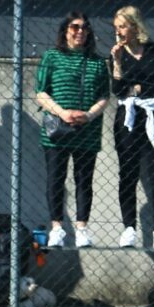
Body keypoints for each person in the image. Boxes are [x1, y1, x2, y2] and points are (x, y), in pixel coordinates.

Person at [35, 12, 109, 248]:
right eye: (75, 27)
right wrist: (61, 112)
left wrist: (88, 115)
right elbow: (41, 92)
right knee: (56, 179)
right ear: (65, 31)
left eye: (85, 28)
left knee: (84, 180)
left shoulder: (97, 61)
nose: (80, 32)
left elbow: (104, 96)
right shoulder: (51, 57)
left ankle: (82, 228)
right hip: (56, 129)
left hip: (87, 131)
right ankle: (57, 227)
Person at [110, 5, 154, 249]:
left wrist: (137, 87)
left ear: (136, 27)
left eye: (123, 26)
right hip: (128, 120)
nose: (119, 32)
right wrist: (117, 64)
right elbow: (117, 90)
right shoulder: (117, 54)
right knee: (127, 174)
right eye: (116, 28)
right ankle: (128, 227)